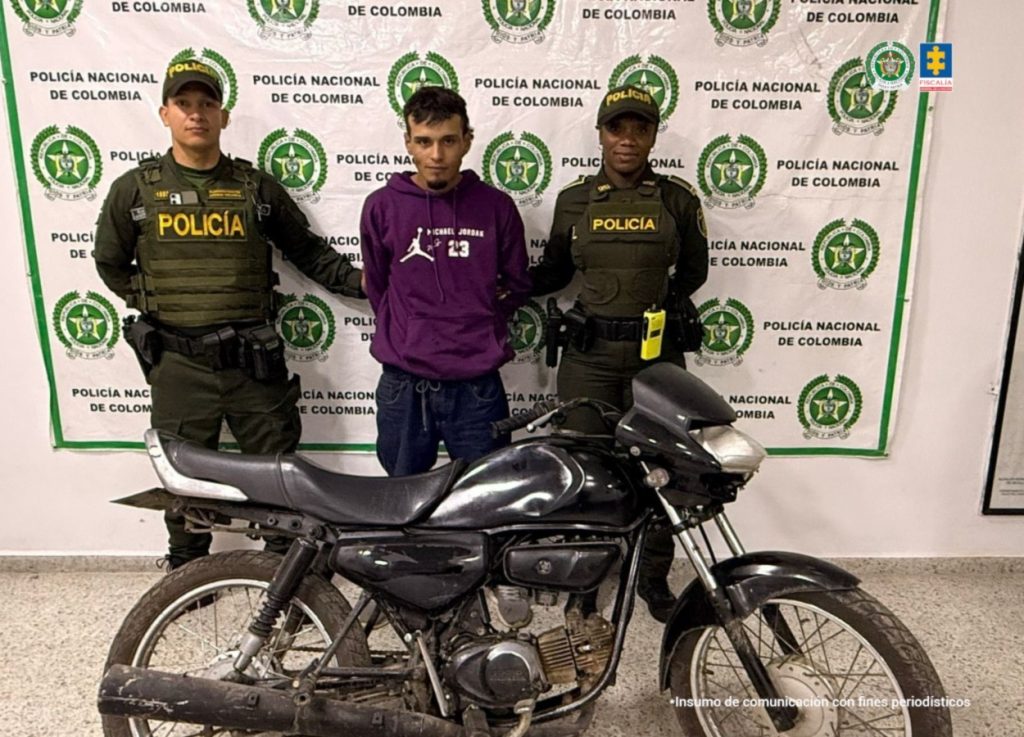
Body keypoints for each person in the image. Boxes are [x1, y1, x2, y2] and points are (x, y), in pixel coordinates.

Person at [93, 59, 363, 570]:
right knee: (181, 475)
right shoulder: (134, 190)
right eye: (185, 105)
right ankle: (185, 569)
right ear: (165, 114)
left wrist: (366, 282)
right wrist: (154, 303)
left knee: (277, 471)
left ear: (224, 116)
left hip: (251, 361)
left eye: (207, 105)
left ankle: (285, 571)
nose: (197, 115)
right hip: (178, 363)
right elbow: (109, 262)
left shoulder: (255, 190)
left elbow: (308, 253)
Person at [530, 85, 709, 622]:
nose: (627, 140)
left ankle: (652, 577)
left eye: (640, 128)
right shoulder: (574, 200)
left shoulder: (678, 198)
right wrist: (501, 284)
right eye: (616, 128)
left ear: (654, 134)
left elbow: (694, 273)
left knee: (663, 472)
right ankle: (586, 582)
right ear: (601, 134)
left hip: (656, 359)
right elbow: (557, 273)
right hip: (590, 357)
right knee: (587, 471)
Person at [359, 86, 531, 476]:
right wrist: (411, 329)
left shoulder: (496, 207)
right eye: (424, 142)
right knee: (402, 503)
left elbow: (517, 284)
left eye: (448, 141)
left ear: (467, 141)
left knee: (484, 499)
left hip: (477, 388)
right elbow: (379, 286)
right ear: (408, 143)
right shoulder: (382, 206)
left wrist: (477, 320)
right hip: (405, 387)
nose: (436, 156)